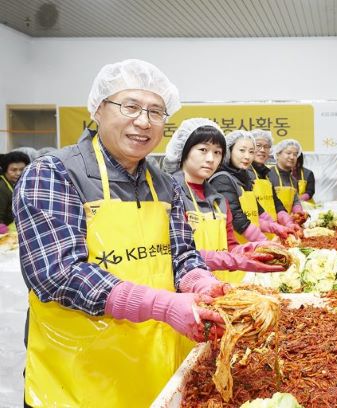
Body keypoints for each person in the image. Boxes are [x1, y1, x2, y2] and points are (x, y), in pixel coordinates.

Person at [13, 59, 228, 407]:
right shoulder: (53, 173)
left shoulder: (162, 184)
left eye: (156, 112)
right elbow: (57, 275)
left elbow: (183, 254)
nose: (143, 121)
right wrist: (161, 304)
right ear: (99, 109)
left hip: (152, 370)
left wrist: (202, 284)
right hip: (78, 378)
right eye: (130, 106)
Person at [163, 119, 287, 285]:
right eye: (203, 150)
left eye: (217, 152)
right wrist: (239, 259)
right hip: (189, 288)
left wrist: (257, 249)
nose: (210, 159)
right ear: (184, 151)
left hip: (223, 286)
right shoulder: (169, 194)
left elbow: (230, 246)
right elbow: (178, 253)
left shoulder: (219, 200)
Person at [209, 130, 293, 244]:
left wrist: (277, 227)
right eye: (242, 150)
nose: (247, 156)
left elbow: (256, 213)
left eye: (251, 151)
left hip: (250, 245)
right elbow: (237, 219)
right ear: (229, 151)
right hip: (234, 248)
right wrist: (265, 242)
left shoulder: (244, 177)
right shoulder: (222, 180)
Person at [248, 129, 300, 233]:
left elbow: (276, 202)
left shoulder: (265, 174)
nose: (262, 150)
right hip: (250, 237)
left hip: (271, 235)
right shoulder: (244, 174)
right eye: (258, 145)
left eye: (266, 147)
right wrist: (273, 225)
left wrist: (287, 221)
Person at [268, 139, 305, 216]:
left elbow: (295, 200)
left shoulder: (293, 180)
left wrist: (298, 210)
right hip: (269, 223)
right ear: (277, 155)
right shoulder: (267, 175)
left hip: (287, 224)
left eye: (295, 154)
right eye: (288, 153)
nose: (292, 157)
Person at [0, 150, 30, 228]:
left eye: (22, 169)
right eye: (13, 170)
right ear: (5, 170)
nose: (18, 173)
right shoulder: (2, 188)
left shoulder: (24, 183)